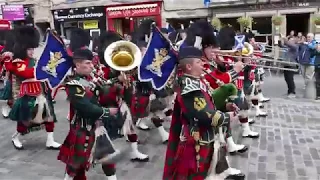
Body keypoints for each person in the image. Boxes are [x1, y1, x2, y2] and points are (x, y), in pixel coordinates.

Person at [163, 46, 245, 180]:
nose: (203, 64)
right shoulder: (190, 88)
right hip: (197, 141)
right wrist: (227, 117)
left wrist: (225, 106)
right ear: (189, 66)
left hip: (205, 138)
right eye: (198, 62)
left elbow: (208, 103)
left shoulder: (197, 80)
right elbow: (204, 116)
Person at [58, 48, 119, 180]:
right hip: (82, 128)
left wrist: (119, 81)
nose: (91, 66)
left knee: (108, 158)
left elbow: (106, 89)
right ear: (78, 65)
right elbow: (85, 107)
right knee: (76, 164)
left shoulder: (90, 78)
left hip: (98, 126)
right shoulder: (73, 84)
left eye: (91, 63)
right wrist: (107, 111)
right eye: (88, 63)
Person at [9, 26, 61, 150]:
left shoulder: (34, 60)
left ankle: (50, 140)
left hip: (41, 92)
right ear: (22, 48)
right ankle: (15, 137)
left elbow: (44, 73)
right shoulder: (18, 62)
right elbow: (26, 73)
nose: (32, 51)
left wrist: (53, 64)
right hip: (27, 95)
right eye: (30, 49)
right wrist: (44, 67)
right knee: (25, 120)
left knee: (49, 117)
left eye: (33, 48)